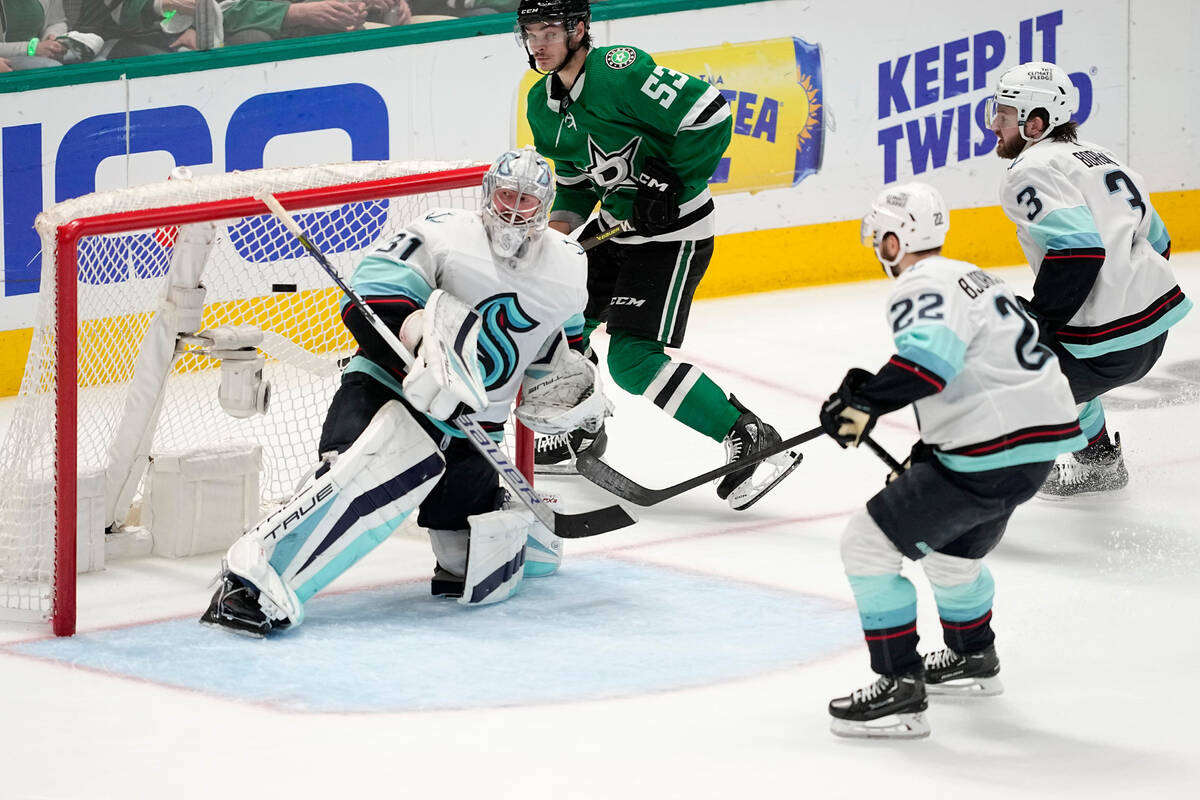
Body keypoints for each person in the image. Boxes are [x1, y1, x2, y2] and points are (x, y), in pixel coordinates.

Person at [201, 147, 607, 637]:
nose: (513, 209)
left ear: (544, 208)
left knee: (473, 566)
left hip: (478, 430)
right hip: (389, 392)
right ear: (486, 193)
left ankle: (506, 519)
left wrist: (570, 389)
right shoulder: (442, 231)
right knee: (361, 475)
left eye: (526, 201)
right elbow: (370, 303)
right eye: (506, 194)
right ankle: (250, 582)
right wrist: (423, 357)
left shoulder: (569, 265)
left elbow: (564, 348)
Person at [818, 182, 1087, 739]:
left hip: (993, 448)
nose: (877, 248)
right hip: (1033, 447)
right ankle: (973, 657)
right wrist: (926, 453)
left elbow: (928, 366)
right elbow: (979, 372)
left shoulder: (918, 284)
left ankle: (899, 690)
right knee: (949, 553)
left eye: (880, 238)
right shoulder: (976, 276)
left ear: (896, 239)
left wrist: (863, 401)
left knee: (865, 544)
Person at [516, 0, 799, 510]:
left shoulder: (619, 71)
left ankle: (753, 437)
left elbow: (711, 113)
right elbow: (576, 187)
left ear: (580, 29)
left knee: (631, 360)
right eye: (530, 32)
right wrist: (553, 244)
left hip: (674, 235)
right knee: (554, 320)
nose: (539, 43)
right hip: (613, 230)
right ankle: (582, 428)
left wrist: (672, 182)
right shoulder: (542, 103)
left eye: (550, 31)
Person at [988, 61, 1192, 498]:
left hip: (1104, 346)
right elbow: (1158, 240)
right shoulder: (1099, 157)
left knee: (989, 374)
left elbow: (1079, 250)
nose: (993, 125)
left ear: (1035, 123)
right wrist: (1124, 297)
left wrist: (1038, 324)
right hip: (1151, 336)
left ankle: (970, 494)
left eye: (1003, 114)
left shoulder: (1030, 169)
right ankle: (1100, 463)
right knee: (1060, 364)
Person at [0, 0, 68, 68]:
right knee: (51, 66)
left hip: (41, 48)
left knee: (76, 57)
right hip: (6, 56)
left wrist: (51, 37)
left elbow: (57, 21)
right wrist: (31, 48)